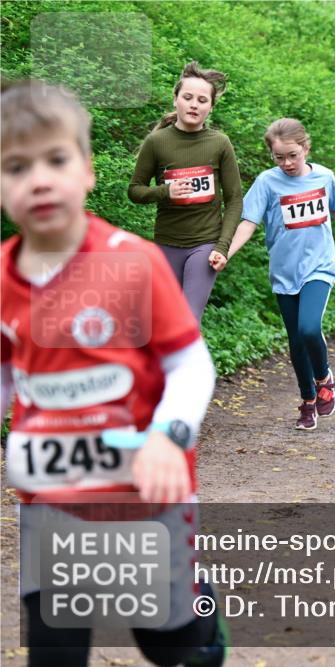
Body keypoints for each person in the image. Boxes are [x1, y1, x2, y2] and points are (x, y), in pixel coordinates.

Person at [1, 80, 226, 667]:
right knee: (53, 649)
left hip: (143, 487)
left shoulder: (132, 262)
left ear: (88, 172)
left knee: (167, 642)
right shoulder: (3, 280)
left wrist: (166, 437)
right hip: (50, 494)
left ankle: (199, 617)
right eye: (16, 167)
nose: (40, 179)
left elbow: (191, 365)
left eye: (56, 159)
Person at [226, 118, 335, 430]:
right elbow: (248, 222)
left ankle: (324, 378)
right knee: (295, 341)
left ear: (306, 148)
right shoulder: (267, 182)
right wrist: (225, 252)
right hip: (284, 272)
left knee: (309, 328)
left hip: (319, 266)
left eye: (293, 155)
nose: (287, 163)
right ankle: (308, 401)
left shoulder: (324, 176)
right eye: (279, 157)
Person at [128, 61, 242, 323]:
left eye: (202, 100)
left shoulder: (219, 143)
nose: (194, 104)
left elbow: (234, 199)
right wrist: (166, 192)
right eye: (188, 97)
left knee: (188, 320)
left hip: (204, 245)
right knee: (162, 322)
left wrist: (222, 247)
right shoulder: (157, 142)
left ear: (210, 107)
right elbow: (135, 191)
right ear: (176, 99)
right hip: (166, 243)